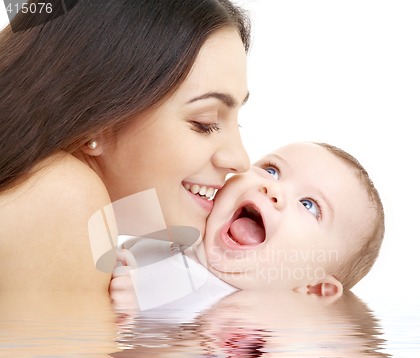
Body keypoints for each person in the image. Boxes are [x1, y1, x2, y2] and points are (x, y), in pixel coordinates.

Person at [0, 0, 251, 294]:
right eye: (204, 122)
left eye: (239, 124)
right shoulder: (62, 195)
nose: (242, 160)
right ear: (96, 119)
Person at [111, 141, 385, 314]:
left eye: (309, 204)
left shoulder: (238, 318)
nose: (273, 188)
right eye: (272, 170)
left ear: (314, 287)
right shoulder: (170, 237)